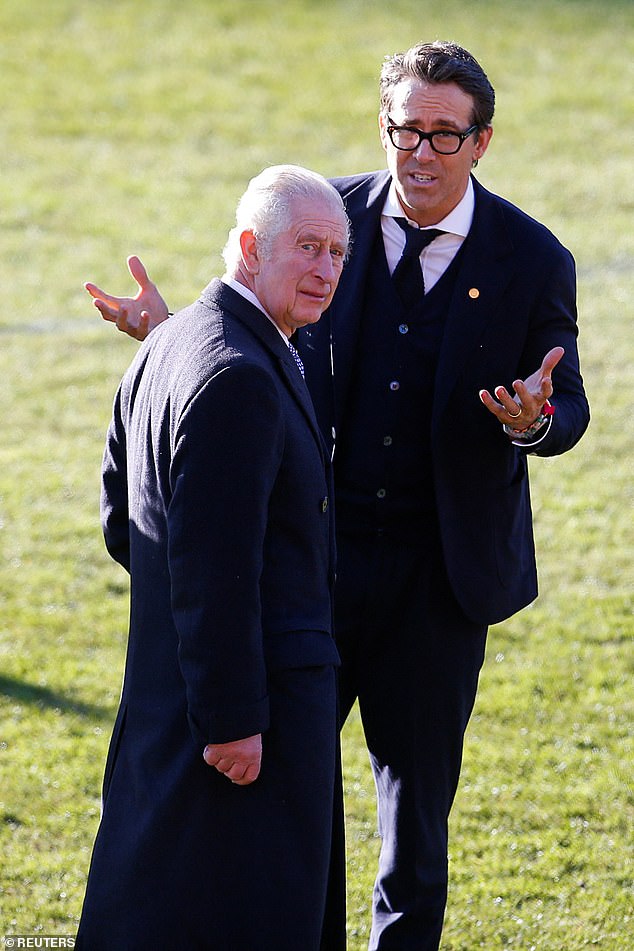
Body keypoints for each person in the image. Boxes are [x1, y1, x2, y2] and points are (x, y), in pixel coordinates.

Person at [87, 42, 590, 951]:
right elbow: (253, 351)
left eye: (445, 134)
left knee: (417, 820)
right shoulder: (327, 220)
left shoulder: (531, 255)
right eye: (406, 130)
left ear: (482, 142)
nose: (421, 153)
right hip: (313, 577)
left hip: (440, 585)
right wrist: (173, 338)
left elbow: (568, 405)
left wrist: (532, 419)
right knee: (297, 804)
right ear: (385, 128)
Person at [76, 165, 351, 951]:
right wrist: (233, 719)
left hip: (172, 691)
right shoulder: (237, 374)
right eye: (307, 248)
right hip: (242, 722)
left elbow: (125, 526)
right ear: (247, 245)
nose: (326, 270)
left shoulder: (170, 344)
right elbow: (213, 562)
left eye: (338, 252)